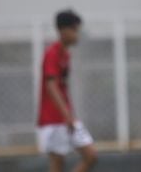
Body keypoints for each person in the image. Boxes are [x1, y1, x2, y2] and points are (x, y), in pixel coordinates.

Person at [37, 10, 97, 172]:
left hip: (65, 117)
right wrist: (66, 115)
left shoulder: (65, 55)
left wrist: (69, 115)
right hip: (53, 119)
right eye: (75, 30)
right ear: (63, 30)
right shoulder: (52, 53)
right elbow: (51, 86)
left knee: (91, 155)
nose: (77, 35)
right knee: (57, 164)